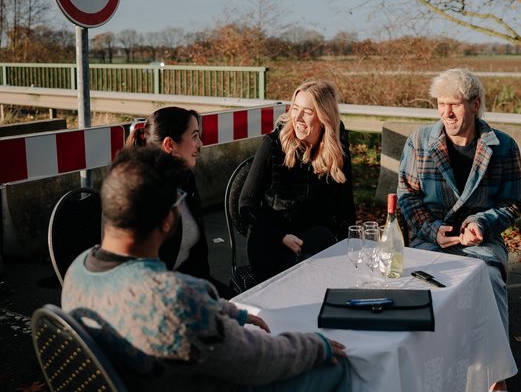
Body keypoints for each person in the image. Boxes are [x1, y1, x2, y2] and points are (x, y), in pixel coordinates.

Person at [62, 146, 350, 392]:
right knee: (337, 368)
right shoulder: (173, 297)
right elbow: (256, 361)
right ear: (168, 220)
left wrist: (229, 312)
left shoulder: (78, 271)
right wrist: (315, 346)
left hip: (145, 377)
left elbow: (178, 307)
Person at [397, 68, 521, 392]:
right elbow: (407, 195)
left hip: (481, 242)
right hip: (430, 239)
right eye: (441, 104)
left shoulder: (503, 146)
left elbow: (513, 202)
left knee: (489, 281)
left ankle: (493, 376)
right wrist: (431, 229)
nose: (446, 112)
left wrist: (481, 223)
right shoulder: (419, 142)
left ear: (475, 104)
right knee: (419, 287)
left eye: (454, 104)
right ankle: (424, 371)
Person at [240, 79, 356, 282]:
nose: (298, 117)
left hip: (315, 242)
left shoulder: (338, 152)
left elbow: (346, 212)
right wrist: (281, 236)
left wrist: (352, 251)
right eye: (295, 108)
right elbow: (246, 204)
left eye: (308, 112)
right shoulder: (272, 145)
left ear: (324, 117)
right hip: (272, 239)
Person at [124, 106, 232, 296]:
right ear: (170, 145)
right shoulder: (139, 197)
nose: (200, 143)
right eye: (194, 136)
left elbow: (198, 266)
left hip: (191, 287)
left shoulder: (185, 179)